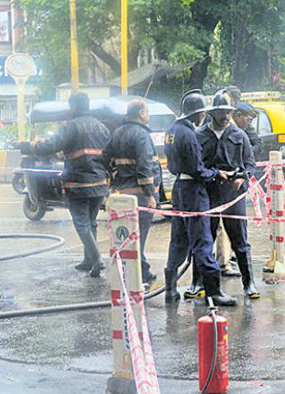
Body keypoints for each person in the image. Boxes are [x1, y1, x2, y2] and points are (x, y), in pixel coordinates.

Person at [163, 89, 236, 306]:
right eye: (202, 113)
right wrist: (216, 173)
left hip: (179, 188)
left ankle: (170, 289)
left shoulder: (171, 131)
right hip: (193, 190)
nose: (203, 116)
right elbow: (197, 169)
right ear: (196, 113)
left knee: (178, 239)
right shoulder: (189, 134)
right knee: (203, 240)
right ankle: (214, 292)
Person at [25, 93, 110, 277]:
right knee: (91, 222)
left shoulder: (71, 126)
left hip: (78, 183)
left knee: (81, 223)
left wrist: (27, 146)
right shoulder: (102, 127)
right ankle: (88, 260)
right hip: (99, 183)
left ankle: (96, 259)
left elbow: (50, 146)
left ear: (72, 107)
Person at [197, 91, 260, 300]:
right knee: (205, 239)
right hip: (210, 194)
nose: (225, 116)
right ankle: (198, 283)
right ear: (212, 113)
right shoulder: (200, 135)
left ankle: (249, 283)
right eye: (221, 112)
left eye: (228, 112)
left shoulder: (239, 135)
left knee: (240, 240)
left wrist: (243, 178)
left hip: (234, 194)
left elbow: (250, 164)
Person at [103, 99, 160, 288]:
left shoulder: (117, 133)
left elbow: (105, 157)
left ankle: (143, 270)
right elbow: (145, 166)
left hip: (123, 193)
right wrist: (150, 195)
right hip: (141, 195)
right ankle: (138, 278)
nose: (148, 115)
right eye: (147, 112)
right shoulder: (142, 135)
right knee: (139, 237)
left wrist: (114, 174)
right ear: (141, 113)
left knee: (129, 236)